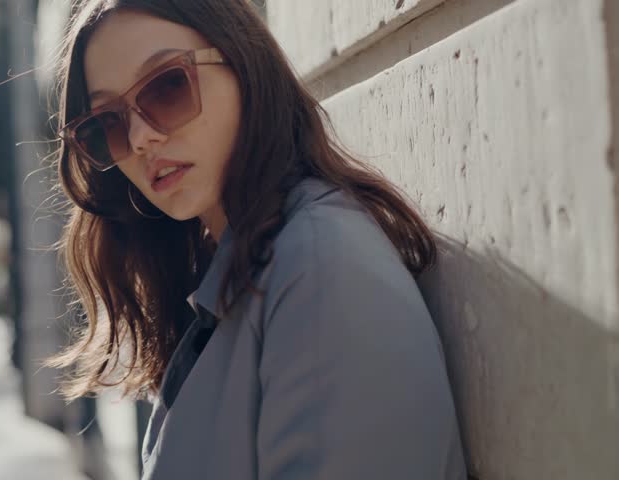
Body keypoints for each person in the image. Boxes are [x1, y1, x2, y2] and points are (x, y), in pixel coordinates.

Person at [48, 1, 468, 478]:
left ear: (242, 64)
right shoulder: (236, 273)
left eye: (167, 86)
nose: (141, 137)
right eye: (109, 123)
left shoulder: (319, 267)